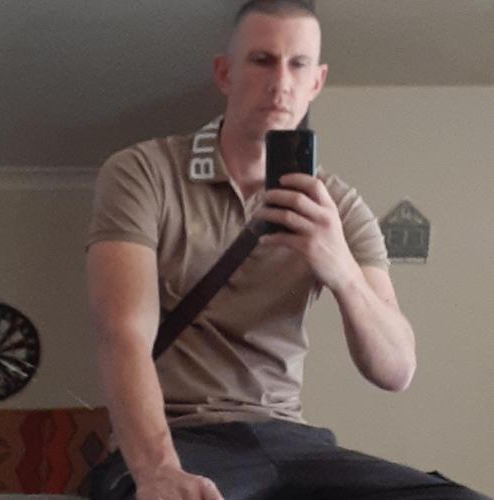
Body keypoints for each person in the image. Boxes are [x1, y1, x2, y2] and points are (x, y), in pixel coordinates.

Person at [86, 1, 490, 499]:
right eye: (262, 60)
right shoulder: (143, 173)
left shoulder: (339, 206)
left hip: (293, 443)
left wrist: (340, 269)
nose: (281, 82)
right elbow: (122, 333)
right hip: (184, 436)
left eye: (298, 64)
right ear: (224, 73)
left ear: (317, 81)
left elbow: (397, 370)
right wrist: (157, 471)